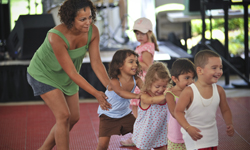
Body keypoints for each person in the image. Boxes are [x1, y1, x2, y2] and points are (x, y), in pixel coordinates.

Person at [26, 0, 111, 149]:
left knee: (73, 118)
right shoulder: (55, 36)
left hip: (66, 75)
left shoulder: (93, 31)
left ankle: (44, 148)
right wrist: (96, 93)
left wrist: (110, 87)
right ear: (70, 19)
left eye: (90, 17)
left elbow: (96, 63)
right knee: (64, 116)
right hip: (44, 74)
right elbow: (72, 72)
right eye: (82, 19)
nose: (88, 22)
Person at [175, 49, 235, 150]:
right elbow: (178, 111)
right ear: (199, 70)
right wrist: (188, 128)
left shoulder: (219, 90)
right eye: (214, 68)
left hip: (212, 137)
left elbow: (225, 109)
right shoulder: (189, 91)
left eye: (220, 68)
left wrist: (229, 123)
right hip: (194, 138)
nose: (219, 71)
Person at [120, 17, 160, 147]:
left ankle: (138, 137)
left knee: (138, 113)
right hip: (139, 81)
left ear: (149, 32)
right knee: (137, 112)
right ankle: (138, 136)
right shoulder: (143, 46)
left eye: (142, 33)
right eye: (137, 33)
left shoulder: (146, 47)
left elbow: (148, 66)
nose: (139, 36)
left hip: (142, 82)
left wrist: (134, 62)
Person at [96, 49, 143, 150]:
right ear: (120, 66)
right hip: (108, 115)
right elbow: (121, 93)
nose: (135, 64)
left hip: (125, 114)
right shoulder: (114, 81)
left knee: (141, 134)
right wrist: (137, 96)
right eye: (131, 62)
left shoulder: (137, 79)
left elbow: (146, 90)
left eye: (136, 62)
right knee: (103, 145)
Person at [132, 62, 172, 150]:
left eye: (164, 86)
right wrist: (165, 95)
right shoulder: (145, 96)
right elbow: (152, 101)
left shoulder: (165, 96)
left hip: (159, 132)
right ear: (149, 83)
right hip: (145, 133)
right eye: (157, 86)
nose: (161, 89)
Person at [165, 58, 196, 150]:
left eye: (193, 78)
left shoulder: (193, 91)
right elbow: (174, 113)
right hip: (177, 135)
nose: (191, 81)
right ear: (175, 79)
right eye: (187, 78)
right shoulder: (170, 94)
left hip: (191, 134)